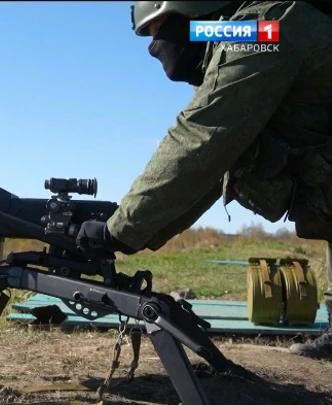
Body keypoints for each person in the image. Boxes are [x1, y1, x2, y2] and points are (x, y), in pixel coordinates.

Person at [75, 1, 332, 359]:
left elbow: (203, 137)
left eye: (158, 31)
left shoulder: (263, 30)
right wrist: (129, 230)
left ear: (193, 11)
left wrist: (118, 230)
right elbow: (216, 157)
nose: (156, 48)